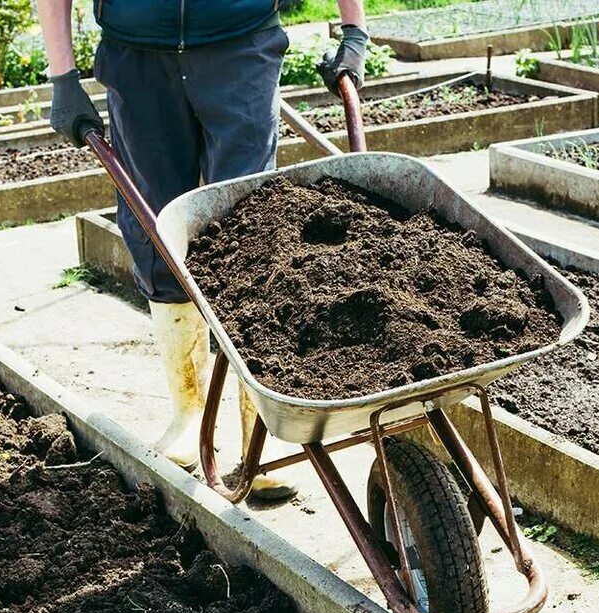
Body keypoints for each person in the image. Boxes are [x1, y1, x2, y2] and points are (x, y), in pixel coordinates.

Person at [36, 0, 369, 500]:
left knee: (252, 228)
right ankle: (189, 410)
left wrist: (355, 31)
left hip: (240, 43)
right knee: (156, 224)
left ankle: (258, 427)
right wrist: (62, 76)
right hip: (138, 57)